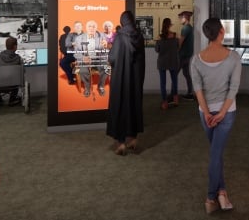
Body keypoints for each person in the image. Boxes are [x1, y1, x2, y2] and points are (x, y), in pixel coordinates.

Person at [191, 17, 242, 214]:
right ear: (221, 31)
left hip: (205, 114)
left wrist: (207, 112)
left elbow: (198, 90)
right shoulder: (234, 57)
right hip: (226, 113)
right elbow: (234, 88)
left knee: (215, 152)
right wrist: (221, 113)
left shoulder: (196, 59)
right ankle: (211, 197)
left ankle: (221, 192)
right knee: (216, 153)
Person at [107, 11, 146, 155]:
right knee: (134, 106)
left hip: (121, 80)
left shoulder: (120, 37)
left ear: (122, 21)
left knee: (120, 107)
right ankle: (134, 139)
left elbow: (113, 58)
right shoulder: (139, 36)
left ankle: (122, 143)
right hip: (135, 80)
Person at [75, 20, 109, 97]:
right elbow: (76, 53)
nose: (91, 28)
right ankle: (87, 87)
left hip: (98, 58)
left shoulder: (102, 36)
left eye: (93, 26)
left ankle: (101, 86)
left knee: (107, 68)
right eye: (89, 26)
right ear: (86, 28)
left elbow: (106, 51)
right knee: (82, 70)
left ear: (96, 28)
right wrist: (83, 58)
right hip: (85, 59)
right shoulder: (79, 38)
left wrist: (105, 47)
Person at [155, 17, 179, 110]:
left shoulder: (160, 37)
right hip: (173, 61)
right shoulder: (175, 35)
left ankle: (165, 103)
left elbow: (157, 50)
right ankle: (176, 100)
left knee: (163, 83)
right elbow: (177, 47)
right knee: (174, 81)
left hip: (162, 62)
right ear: (170, 25)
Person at [178, 11, 195, 99]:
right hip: (188, 55)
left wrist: (176, 50)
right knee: (186, 73)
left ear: (185, 18)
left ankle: (173, 94)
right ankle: (190, 93)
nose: (180, 20)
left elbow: (180, 42)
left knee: (175, 73)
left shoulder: (185, 28)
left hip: (182, 55)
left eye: (180, 18)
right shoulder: (190, 28)